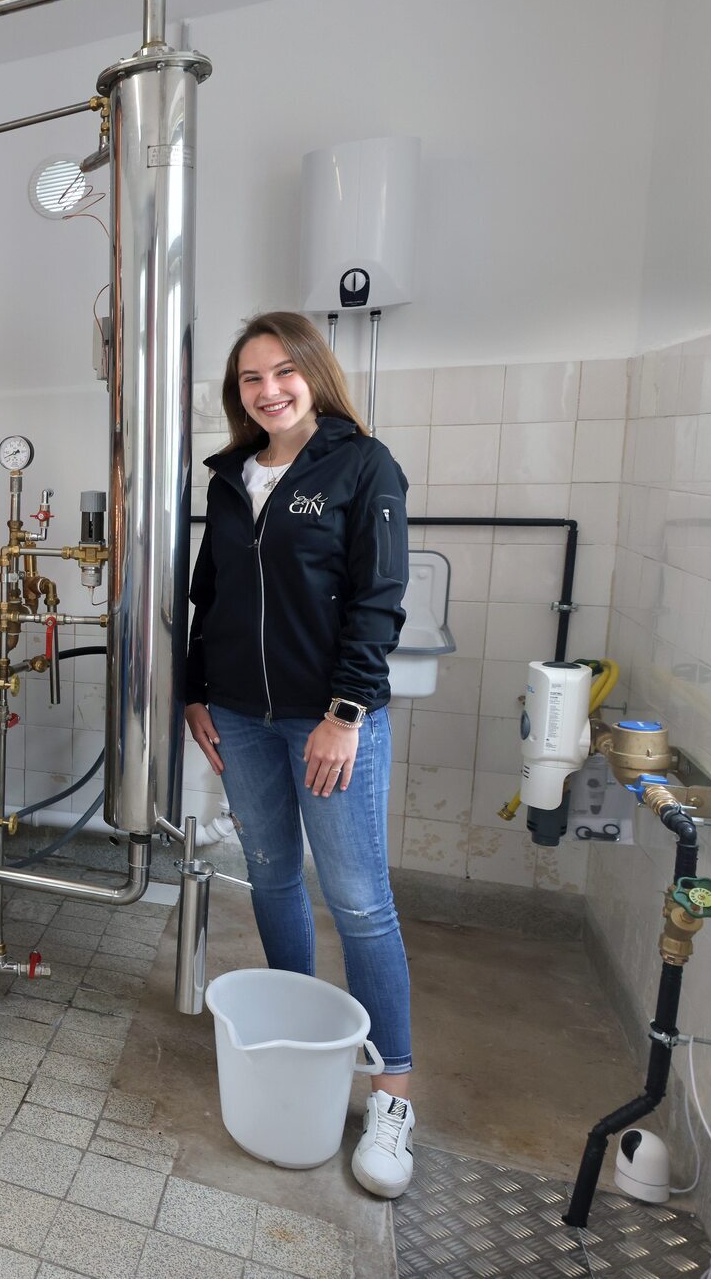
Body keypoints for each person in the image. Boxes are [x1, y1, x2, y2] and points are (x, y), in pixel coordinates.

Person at [182, 310, 417, 1198]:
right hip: (240, 717)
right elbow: (210, 596)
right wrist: (195, 691)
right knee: (273, 877)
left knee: (359, 902)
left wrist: (345, 713)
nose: (269, 390)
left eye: (283, 372)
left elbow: (378, 600)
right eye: (251, 378)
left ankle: (392, 1092)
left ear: (313, 374)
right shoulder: (229, 478)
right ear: (237, 393)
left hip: (329, 721)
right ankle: (300, 1032)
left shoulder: (363, 465)